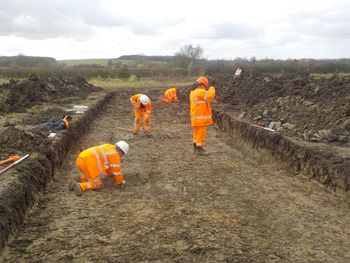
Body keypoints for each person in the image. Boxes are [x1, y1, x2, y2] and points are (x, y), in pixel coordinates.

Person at [190, 76, 216, 155]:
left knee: (196, 134)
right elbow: (211, 96)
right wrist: (212, 88)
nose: (205, 88)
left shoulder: (193, 92)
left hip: (196, 118)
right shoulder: (200, 92)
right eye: (205, 86)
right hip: (201, 118)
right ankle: (199, 149)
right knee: (201, 134)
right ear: (202, 85)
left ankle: (196, 148)